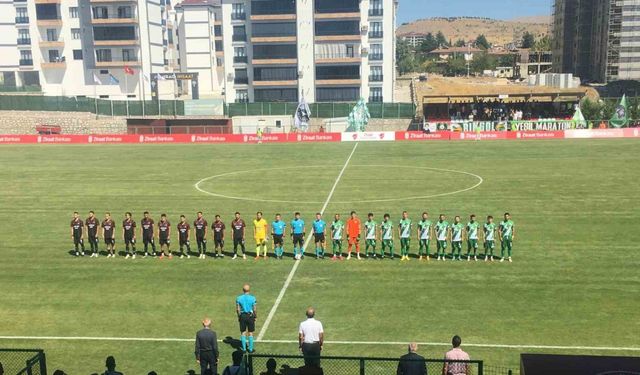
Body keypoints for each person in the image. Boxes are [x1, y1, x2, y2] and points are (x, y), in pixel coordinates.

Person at [236, 283, 257, 352]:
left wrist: (239, 316)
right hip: (250, 316)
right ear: (249, 290)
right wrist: (255, 316)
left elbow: (238, 309)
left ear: (243, 290)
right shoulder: (253, 298)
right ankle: (250, 349)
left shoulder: (239, 298)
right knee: (250, 332)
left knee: (243, 332)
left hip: (243, 315)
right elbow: (254, 309)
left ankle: (244, 349)